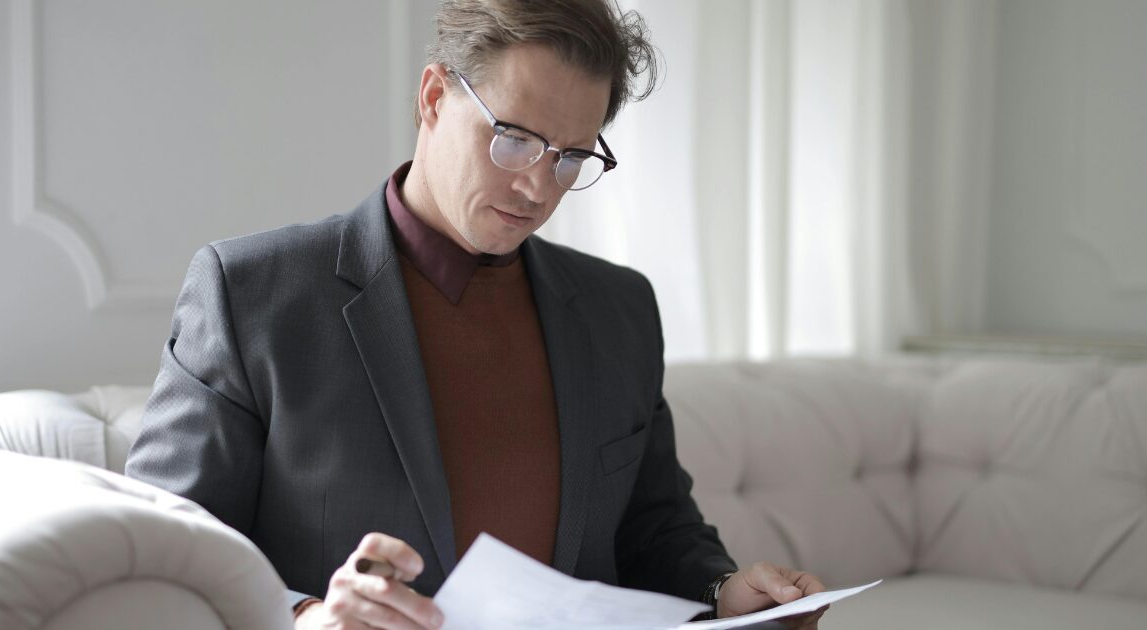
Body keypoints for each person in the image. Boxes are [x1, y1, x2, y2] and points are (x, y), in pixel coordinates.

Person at [126, 1, 829, 628]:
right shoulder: (252, 295)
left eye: (571, 156)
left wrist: (724, 589)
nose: (536, 185)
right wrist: (307, 618)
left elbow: (654, 526)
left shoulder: (621, 309)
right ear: (433, 97)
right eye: (514, 137)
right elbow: (162, 555)